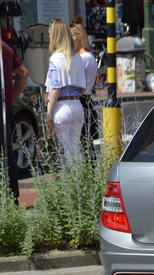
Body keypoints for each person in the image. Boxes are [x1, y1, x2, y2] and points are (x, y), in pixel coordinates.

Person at [45, 19, 87, 167]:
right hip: (77, 105)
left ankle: (72, 186)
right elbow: (83, 88)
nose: (49, 36)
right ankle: (81, 182)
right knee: (76, 149)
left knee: (66, 150)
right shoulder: (77, 57)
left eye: (50, 33)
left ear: (55, 35)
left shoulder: (55, 58)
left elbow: (55, 88)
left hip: (61, 106)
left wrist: (49, 112)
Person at [2, 40, 29, 202]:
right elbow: (23, 73)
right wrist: (11, 98)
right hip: (5, 105)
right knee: (6, 150)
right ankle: (12, 197)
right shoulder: (5, 48)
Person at [70, 22, 99, 157]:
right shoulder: (89, 57)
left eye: (71, 36)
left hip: (83, 102)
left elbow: (80, 86)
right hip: (87, 102)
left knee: (84, 144)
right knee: (86, 144)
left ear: (79, 37)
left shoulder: (83, 58)